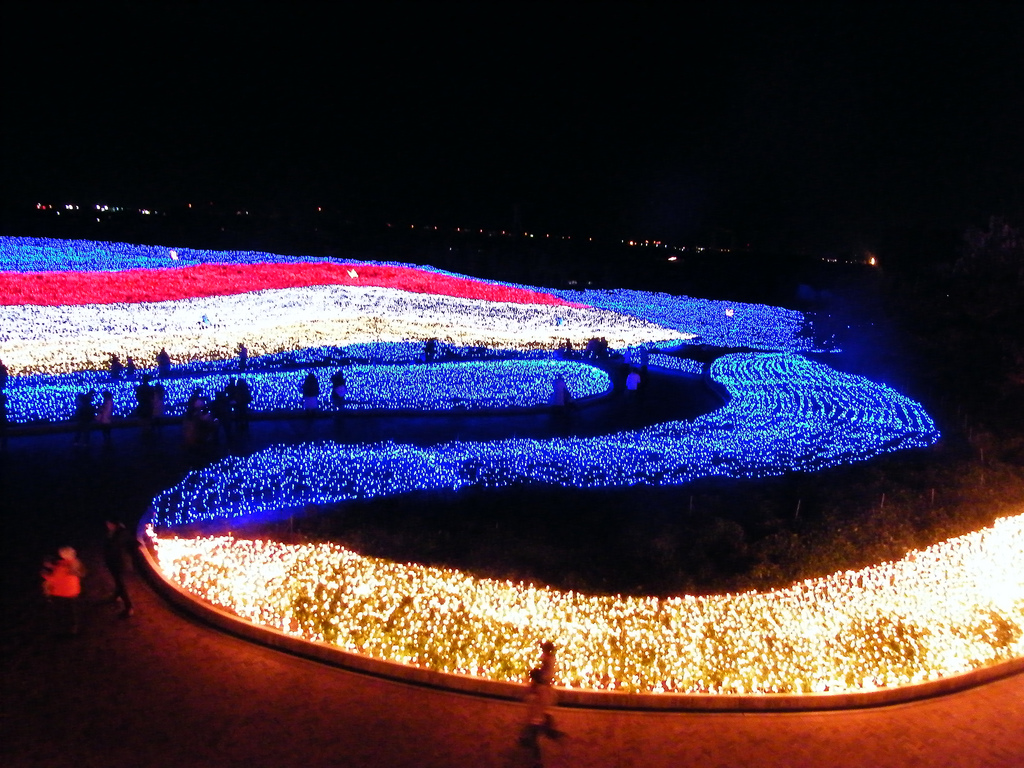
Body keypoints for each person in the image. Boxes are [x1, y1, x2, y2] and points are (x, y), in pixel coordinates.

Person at [41, 547, 84, 635]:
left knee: (64, 612)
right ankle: (72, 628)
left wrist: (45, 575)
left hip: (62, 593)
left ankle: (66, 629)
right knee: (71, 612)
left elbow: (55, 578)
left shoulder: (66, 566)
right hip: (71, 593)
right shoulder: (72, 564)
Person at [103, 519, 135, 618]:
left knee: (121, 585)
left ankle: (129, 607)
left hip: (119, 563)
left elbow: (118, 546)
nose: (108, 526)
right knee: (117, 581)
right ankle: (117, 595)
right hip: (113, 562)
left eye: (110, 524)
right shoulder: (114, 532)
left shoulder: (121, 534)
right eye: (107, 524)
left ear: (115, 524)